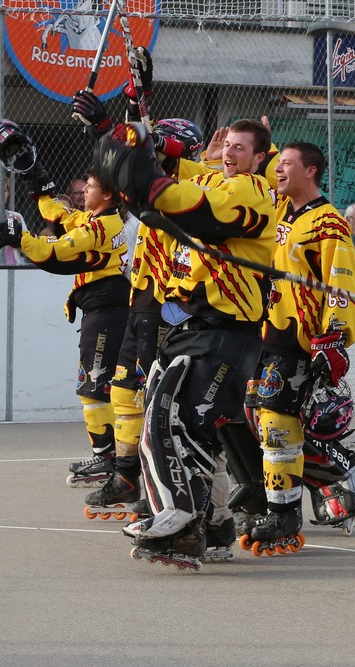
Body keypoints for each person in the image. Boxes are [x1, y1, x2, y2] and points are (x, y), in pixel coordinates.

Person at [95, 118, 276, 566]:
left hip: (225, 332)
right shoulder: (216, 180)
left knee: (177, 423)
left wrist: (147, 170)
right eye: (227, 145)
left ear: (259, 158)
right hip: (192, 329)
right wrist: (114, 131)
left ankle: (182, 520)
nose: (229, 152)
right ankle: (209, 528)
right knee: (177, 426)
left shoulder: (251, 189)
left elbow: (185, 200)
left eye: (240, 148)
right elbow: (167, 174)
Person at [0, 121, 130, 491]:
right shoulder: (95, 219)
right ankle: (112, 456)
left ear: (108, 195)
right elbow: (59, 214)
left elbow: (56, 252)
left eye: (90, 187)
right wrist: (37, 176)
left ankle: (110, 460)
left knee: (95, 389)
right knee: (94, 388)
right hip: (101, 312)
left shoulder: (103, 227)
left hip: (109, 313)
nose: (84, 193)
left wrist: (18, 237)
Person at [239, 141, 355, 556]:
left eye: (287, 164)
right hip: (263, 333)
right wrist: (254, 144)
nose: (279, 170)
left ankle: (285, 514)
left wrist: (334, 336)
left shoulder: (328, 223)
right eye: (277, 163)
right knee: (255, 420)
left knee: (279, 425)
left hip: (298, 340)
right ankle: (282, 498)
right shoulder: (277, 208)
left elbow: (341, 281)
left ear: (310, 171)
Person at [81, 116, 207, 523]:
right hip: (140, 299)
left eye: (161, 145)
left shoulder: (191, 188)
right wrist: (102, 130)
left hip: (166, 303)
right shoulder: (145, 186)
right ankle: (126, 474)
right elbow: (120, 167)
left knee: (156, 397)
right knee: (123, 390)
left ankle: (162, 484)